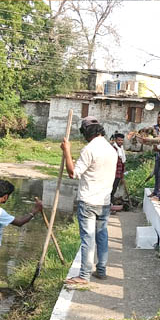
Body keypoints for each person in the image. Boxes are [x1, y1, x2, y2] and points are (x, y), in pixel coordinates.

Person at [61, 118, 118, 286]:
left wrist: (67, 151)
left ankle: (84, 275)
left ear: (87, 133)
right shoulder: (111, 149)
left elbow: (73, 173)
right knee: (102, 235)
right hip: (105, 201)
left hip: (88, 201)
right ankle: (101, 270)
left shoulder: (89, 149)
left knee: (88, 238)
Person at [135, 111, 160, 201]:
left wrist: (154, 141)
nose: (159, 119)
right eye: (158, 117)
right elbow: (150, 139)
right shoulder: (154, 128)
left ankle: (159, 194)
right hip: (158, 153)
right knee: (157, 173)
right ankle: (155, 192)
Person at [111, 131, 127, 199]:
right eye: (119, 140)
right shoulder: (113, 149)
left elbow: (123, 162)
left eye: (122, 140)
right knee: (110, 190)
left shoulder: (121, 149)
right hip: (112, 173)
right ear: (115, 140)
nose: (120, 142)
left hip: (119, 173)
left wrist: (122, 175)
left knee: (114, 189)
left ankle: (110, 203)